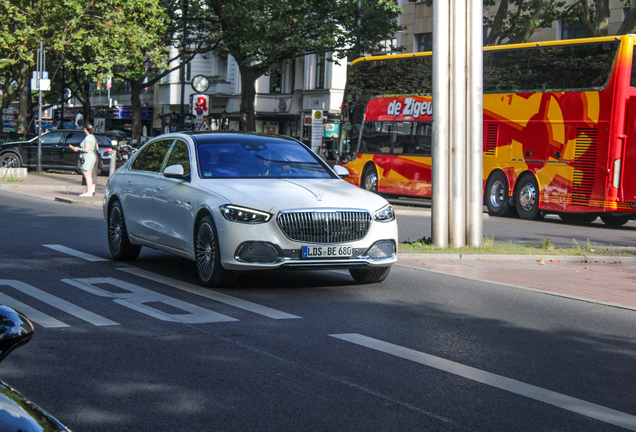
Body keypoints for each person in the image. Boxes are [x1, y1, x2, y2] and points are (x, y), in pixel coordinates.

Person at [69, 125, 97, 196]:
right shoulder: (92, 137)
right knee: (89, 175)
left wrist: (78, 149)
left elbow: (87, 149)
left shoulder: (87, 138)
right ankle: (90, 191)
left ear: (85, 129)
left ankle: (89, 192)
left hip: (87, 157)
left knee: (87, 175)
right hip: (92, 156)